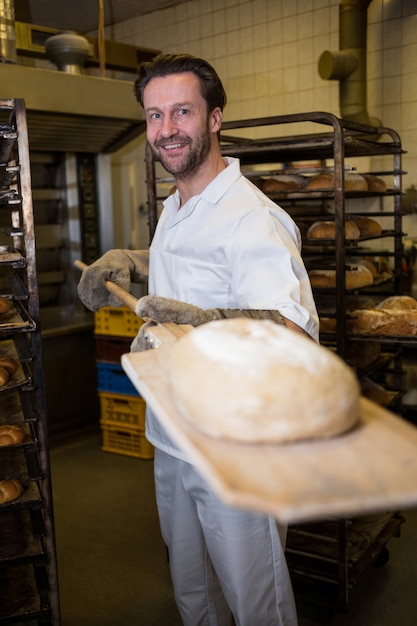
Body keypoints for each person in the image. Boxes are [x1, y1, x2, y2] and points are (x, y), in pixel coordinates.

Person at [78, 53, 319, 626]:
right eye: (155, 115)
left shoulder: (252, 217)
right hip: (171, 431)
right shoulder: (177, 205)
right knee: (191, 588)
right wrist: (134, 262)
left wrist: (203, 324)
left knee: (254, 597)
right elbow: (193, 268)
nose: (167, 130)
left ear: (214, 119)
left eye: (182, 111)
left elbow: (293, 332)